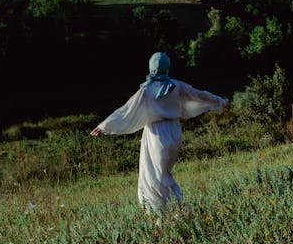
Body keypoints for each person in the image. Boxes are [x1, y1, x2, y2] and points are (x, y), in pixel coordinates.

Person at [91, 52, 228, 213]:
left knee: (153, 175)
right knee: (163, 172)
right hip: (174, 130)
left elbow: (126, 110)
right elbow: (199, 95)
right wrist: (220, 101)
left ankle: (165, 210)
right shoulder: (177, 85)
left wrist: (105, 126)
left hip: (156, 133)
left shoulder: (147, 90)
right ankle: (169, 209)